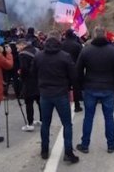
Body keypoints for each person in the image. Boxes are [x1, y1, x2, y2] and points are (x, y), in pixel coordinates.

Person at [32, 30, 79, 164]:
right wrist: (69, 86)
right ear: (59, 40)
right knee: (67, 124)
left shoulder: (39, 56)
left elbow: (33, 73)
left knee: (45, 123)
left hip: (45, 94)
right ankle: (68, 152)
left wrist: (41, 85)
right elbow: (73, 76)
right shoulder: (65, 56)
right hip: (61, 93)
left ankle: (44, 150)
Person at [76, 26, 114, 154]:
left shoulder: (86, 51)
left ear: (94, 35)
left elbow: (78, 70)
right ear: (105, 35)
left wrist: (79, 86)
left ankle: (85, 145)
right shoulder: (113, 51)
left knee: (88, 117)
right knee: (109, 117)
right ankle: (111, 145)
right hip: (108, 87)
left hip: (90, 87)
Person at [16, 39, 41, 132]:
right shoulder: (37, 50)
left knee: (29, 102)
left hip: (29, 81)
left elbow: (23, 68)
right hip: (38, 79)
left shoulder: (23, 54)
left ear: (22, 45)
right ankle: (42, 120)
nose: (17, 48)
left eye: (17, 46)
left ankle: (30, 123)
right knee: (39, 101)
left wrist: (21, 75)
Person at [61, 29, 83, 112]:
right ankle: (77, 105)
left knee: (65, 88)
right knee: (75, 88)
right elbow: (81, 58)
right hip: (75, 68)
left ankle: (64, 105)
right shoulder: (77, 45)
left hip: (63, 69)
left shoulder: (61, 45)